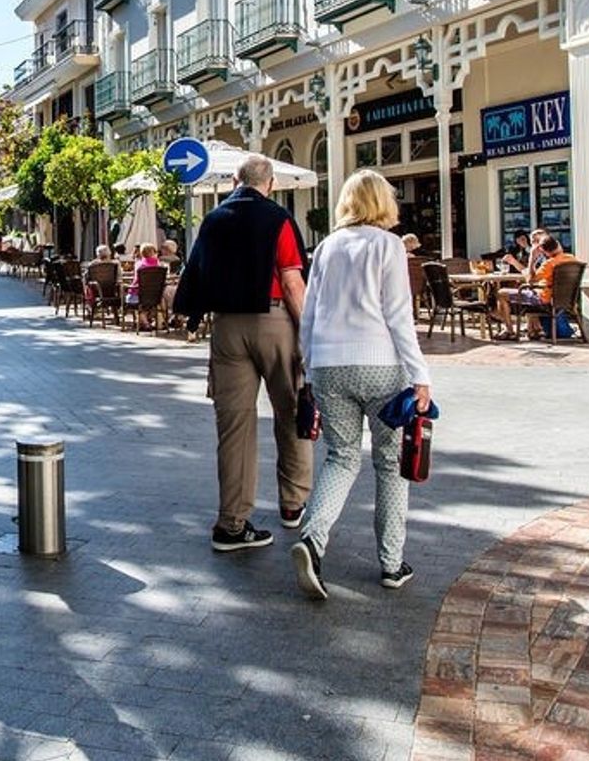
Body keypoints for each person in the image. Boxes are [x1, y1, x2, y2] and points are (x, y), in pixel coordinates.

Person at [289, 170, 432, 599]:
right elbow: (398, 316)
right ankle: (391, 563)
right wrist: (420, 374)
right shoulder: (388, 245)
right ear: (382, 203)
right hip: (379, 364)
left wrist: (310, 368)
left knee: (341, 457)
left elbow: (309, 313)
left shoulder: (328, 247)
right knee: (389, 463)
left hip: (330, 365)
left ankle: (313, 542)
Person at [172, 154, 312, 553]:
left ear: (236, 181)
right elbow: (290, 280)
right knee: (291, 412)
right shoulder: (278, 218)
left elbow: (194, 273)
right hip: (274, 323)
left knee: (234, 426)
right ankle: (293, 503)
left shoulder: (214, 219)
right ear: (270, 184)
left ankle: (231, 523)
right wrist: (309, 334)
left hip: (227, 327)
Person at [496, 234, 575, 337]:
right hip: (564, 299)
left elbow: (530, 280)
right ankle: (534, 330)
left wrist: (532, 258)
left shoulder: (549, 264)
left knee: (501, 293)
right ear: (558, 244)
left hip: (543, 300)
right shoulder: (571, 258)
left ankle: (509, 331)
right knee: (529, 292)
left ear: (544, 252)